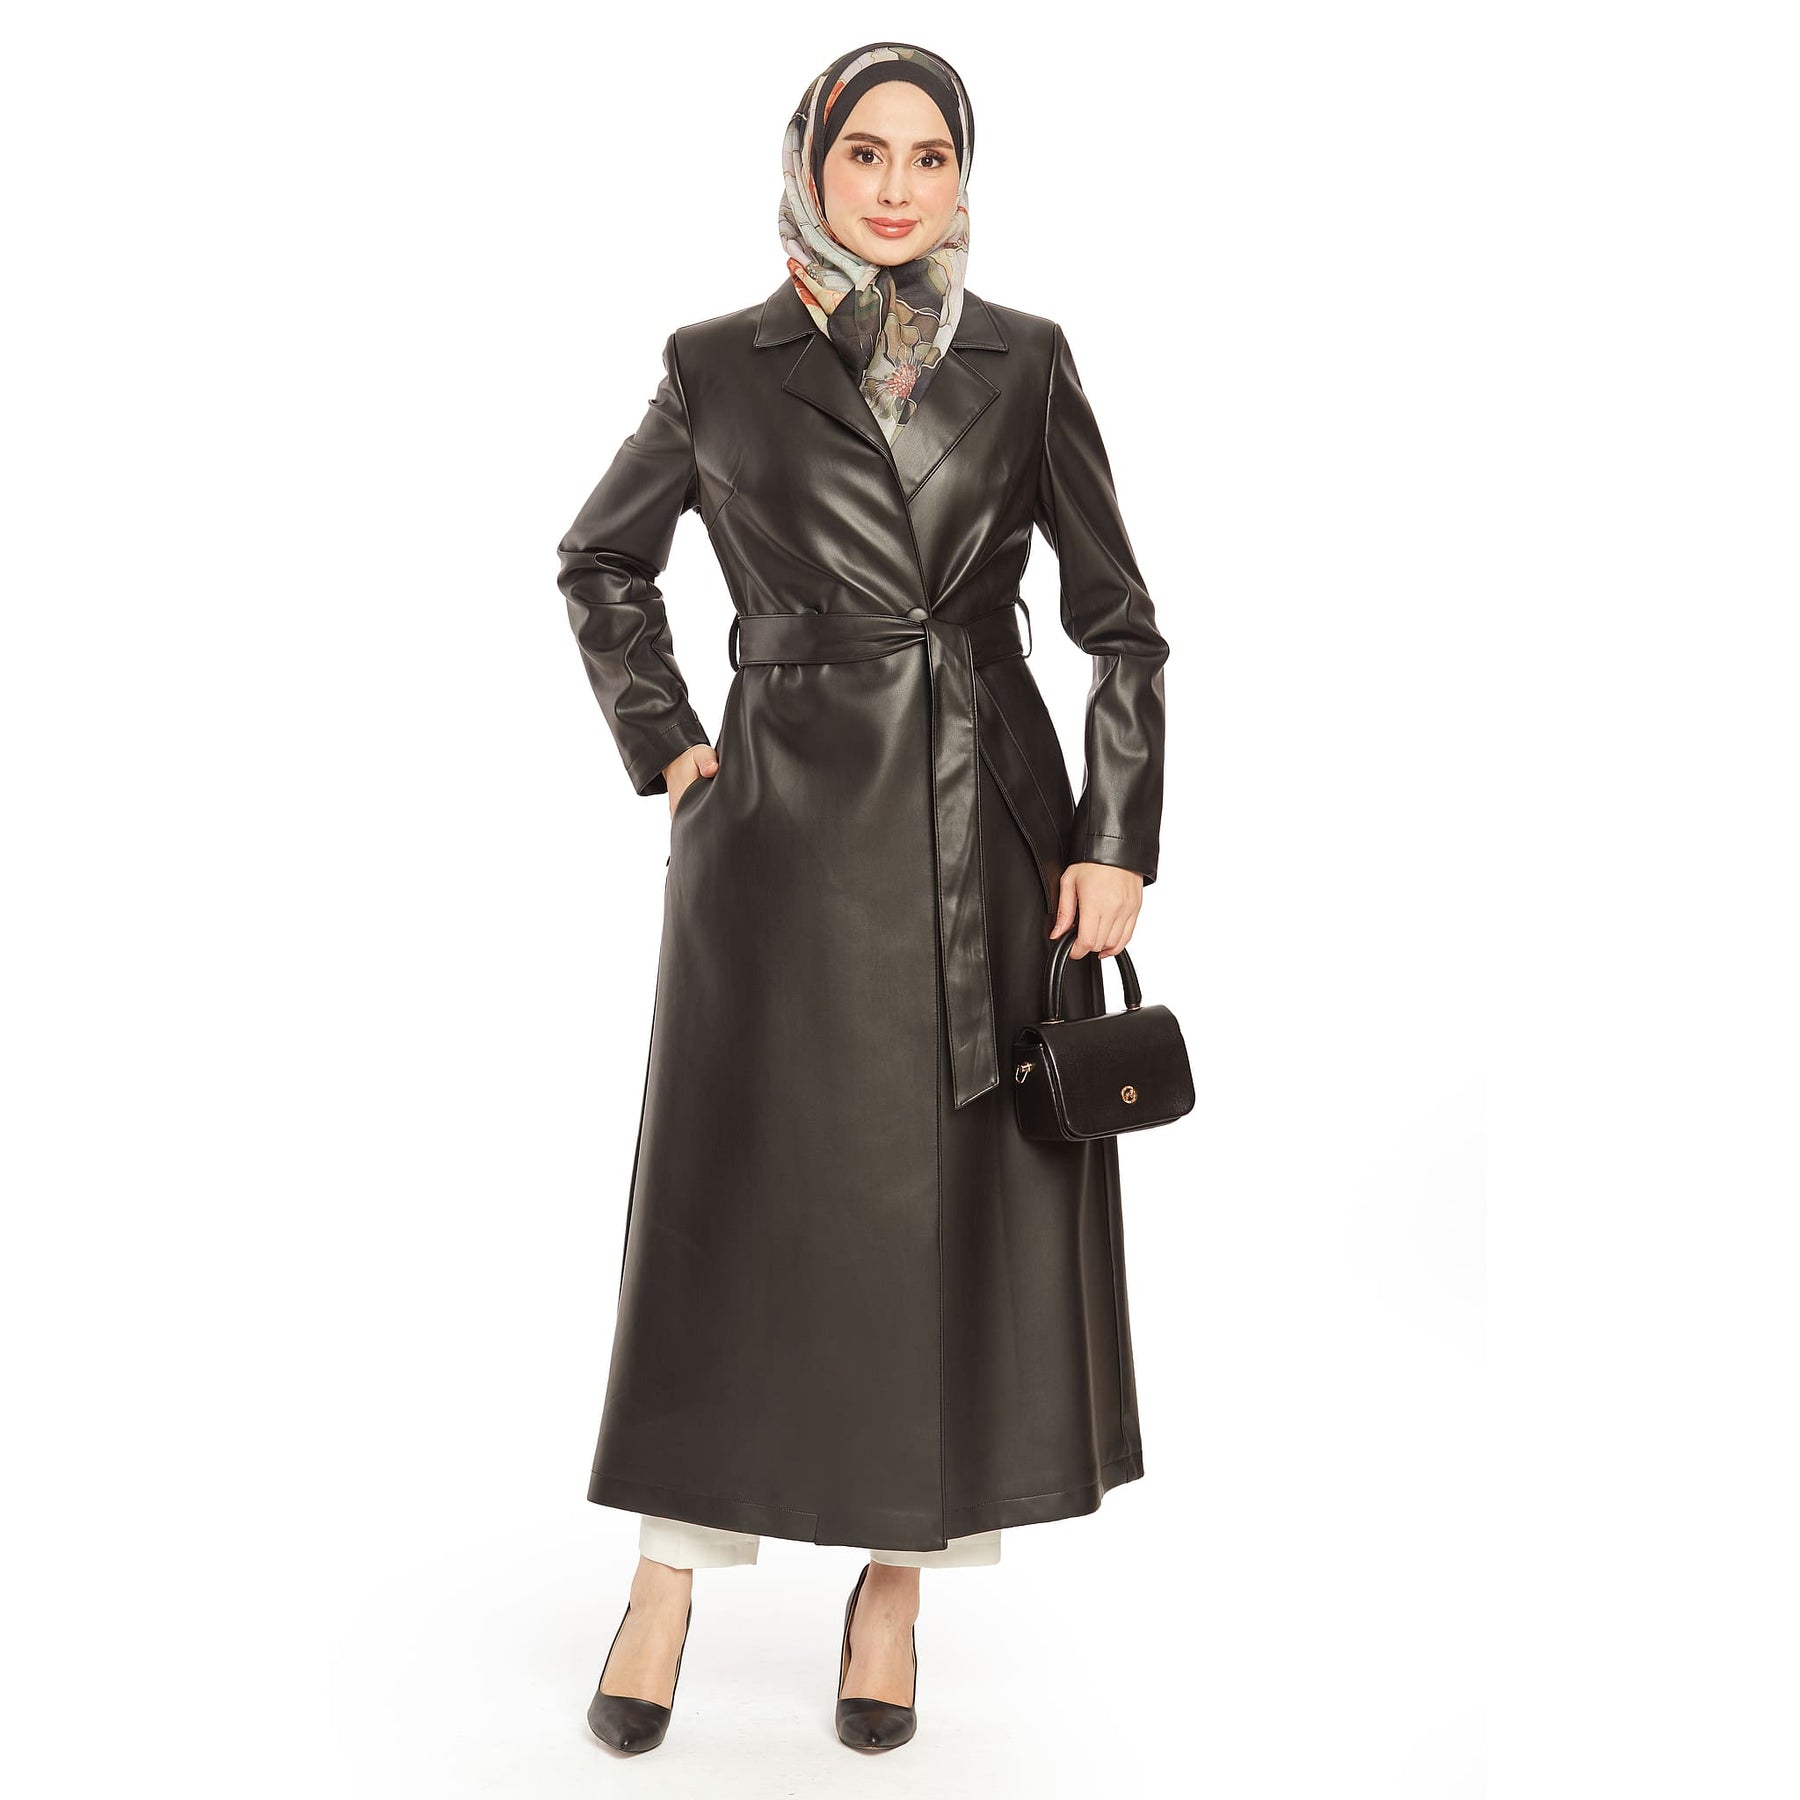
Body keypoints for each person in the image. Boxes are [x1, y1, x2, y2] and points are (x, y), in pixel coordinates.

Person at [555, 41, 1170, 1755]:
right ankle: (665, 1579)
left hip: (987, 835)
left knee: (955, 1219)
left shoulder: (1025, 361)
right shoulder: (719, 362)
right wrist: (673, 745)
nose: (898, 188)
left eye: (930, 156)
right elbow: (602, 557)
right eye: (865, 154)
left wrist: (1116, 835)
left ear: (963, 174)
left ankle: (895, 1592)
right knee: (730, 1204)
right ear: (811, 165)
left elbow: (1120, 622)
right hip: (775, 844)